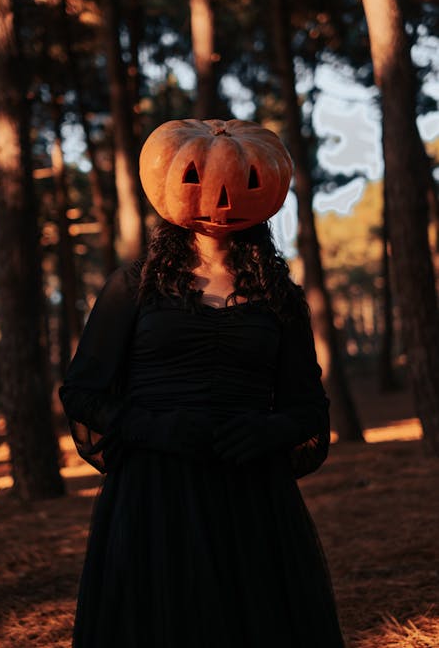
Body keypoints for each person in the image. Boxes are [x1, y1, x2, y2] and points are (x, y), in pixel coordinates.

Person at [59, 118, 346, 647]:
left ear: (267, 188)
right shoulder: (134, 286)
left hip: (252, 496)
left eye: (244, 180)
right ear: (170, 186)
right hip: (156, 492)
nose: (219, 199)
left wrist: (271, 430)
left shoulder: (279, 297)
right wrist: (154, 429)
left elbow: (309, 406)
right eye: (195, 175)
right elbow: (81, 392)